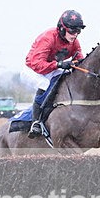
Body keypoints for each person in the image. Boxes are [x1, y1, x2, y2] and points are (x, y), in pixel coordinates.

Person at [21, 10, 85, 138]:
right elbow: (38, 65)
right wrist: (59, 65)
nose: (75, 34)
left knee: (66, 78)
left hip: (50, 67)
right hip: (32, 70)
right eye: (72, 31)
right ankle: (36, 122)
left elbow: (79, 59)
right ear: (62, 28)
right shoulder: (47, 38)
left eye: (78, 31)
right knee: (44, 84)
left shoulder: (74, 41)